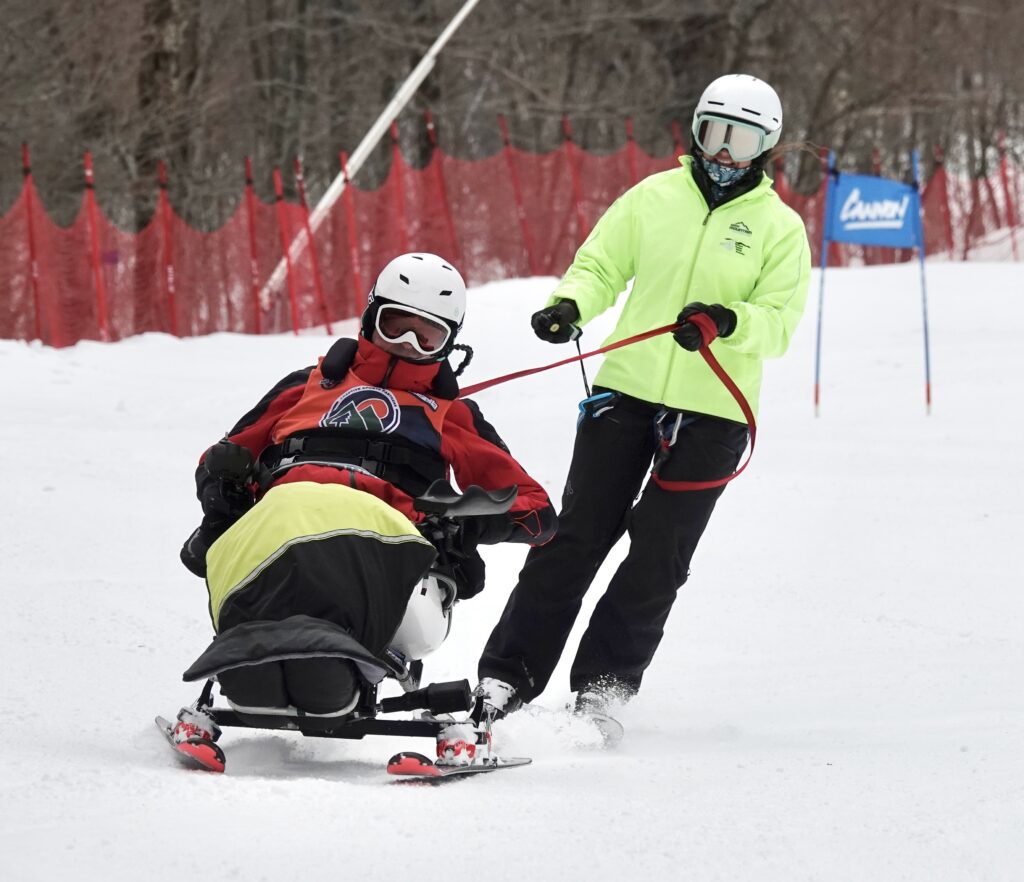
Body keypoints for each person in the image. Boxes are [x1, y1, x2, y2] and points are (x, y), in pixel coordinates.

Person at [473, 74, 811, 722]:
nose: (723, 151)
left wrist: (726, 321)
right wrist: (569, 305)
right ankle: (507, 678)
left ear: (765, 147)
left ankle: (604, 687)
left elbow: (779, 320)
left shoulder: (779, 228)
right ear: (695, 131)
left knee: (659, 555)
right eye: (714, 132)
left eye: (740, 140)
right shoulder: (653, 198)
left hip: (715, 411)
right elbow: (601, 266)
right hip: (625, 393)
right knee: (573, 538)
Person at [175, 252, 556, 763]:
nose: (408, 345)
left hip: (387, 545)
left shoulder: (452, 415)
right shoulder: (303, 386)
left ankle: (346, 655)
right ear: (369, 317)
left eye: (427, 337)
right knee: (263, 665)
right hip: (280, 520)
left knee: (320, 666)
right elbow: (227, 451)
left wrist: (468, 522)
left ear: (449, 343)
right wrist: (220, 486)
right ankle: (264, 654)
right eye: (396, 325)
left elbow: (534, 509)